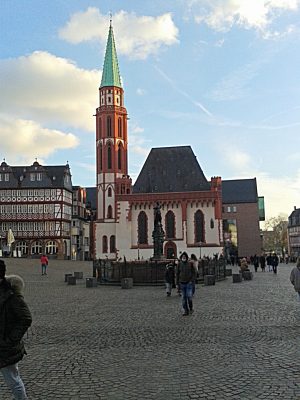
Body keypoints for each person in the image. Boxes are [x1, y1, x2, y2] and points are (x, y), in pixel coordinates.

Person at [0, 259, 32, 400]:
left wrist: (10, 340)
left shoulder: (11, 295)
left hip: (6, 348)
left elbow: (25, 318)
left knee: (13, 380)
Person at [176, 252, 196, 316]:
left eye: (185, 257)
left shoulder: (190, 264)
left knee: (189, 296)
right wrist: (177, 283)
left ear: (186, 257)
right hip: (182, 283)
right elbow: (177, 274)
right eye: (183, 257)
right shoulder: (179, 264)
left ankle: (190, 307)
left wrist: (192, 280)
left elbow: (194, 272)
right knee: (183, 298)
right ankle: (185, 311)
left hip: (188, 283)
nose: (184, 258)